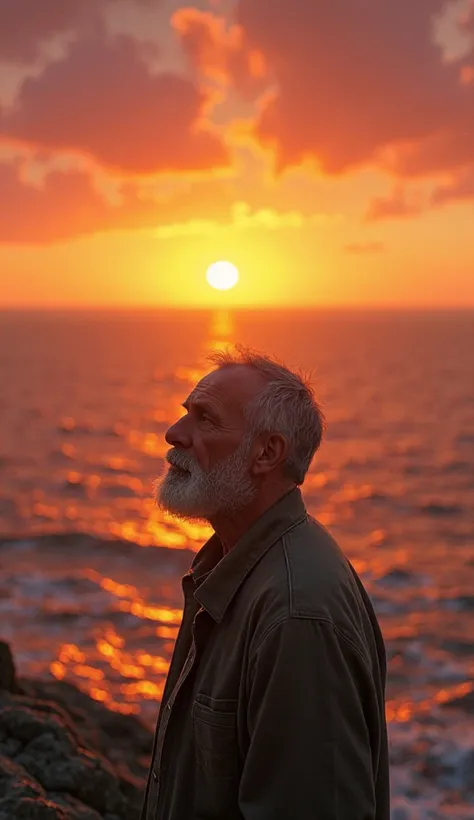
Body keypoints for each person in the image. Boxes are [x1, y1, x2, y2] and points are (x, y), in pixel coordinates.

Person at [140, 346, 390, 820]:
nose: (174, 434)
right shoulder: (231, 564)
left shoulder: (297, 616)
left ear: (267, 453)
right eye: (184, 415)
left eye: (205, 419)